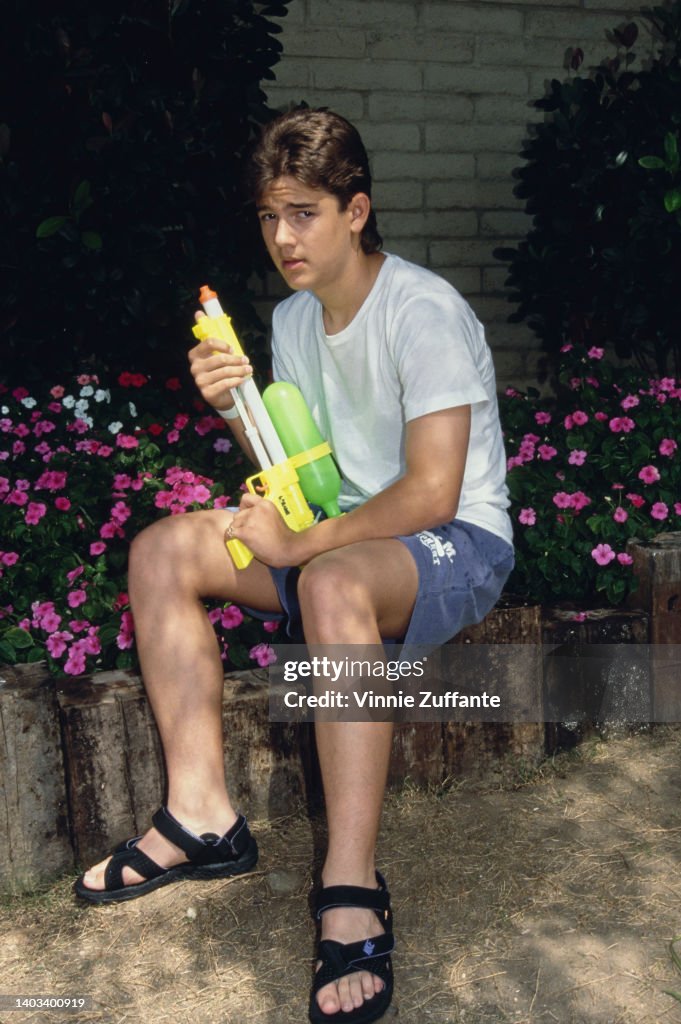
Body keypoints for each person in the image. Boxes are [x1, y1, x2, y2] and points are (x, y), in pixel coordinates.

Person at [75, 108, 514, 1024]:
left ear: (356, 211)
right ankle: (202, 816)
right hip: (338, 530)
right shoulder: (290, 318)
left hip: (452, 543)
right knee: (161, 549)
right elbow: (296, 467)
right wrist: (236, 407)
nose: (283, 238)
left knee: (328, 580)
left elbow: (433, 493)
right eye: (270, 216)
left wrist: (304, 544)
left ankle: (350, 884)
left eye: (304, 213)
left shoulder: (421, 309)